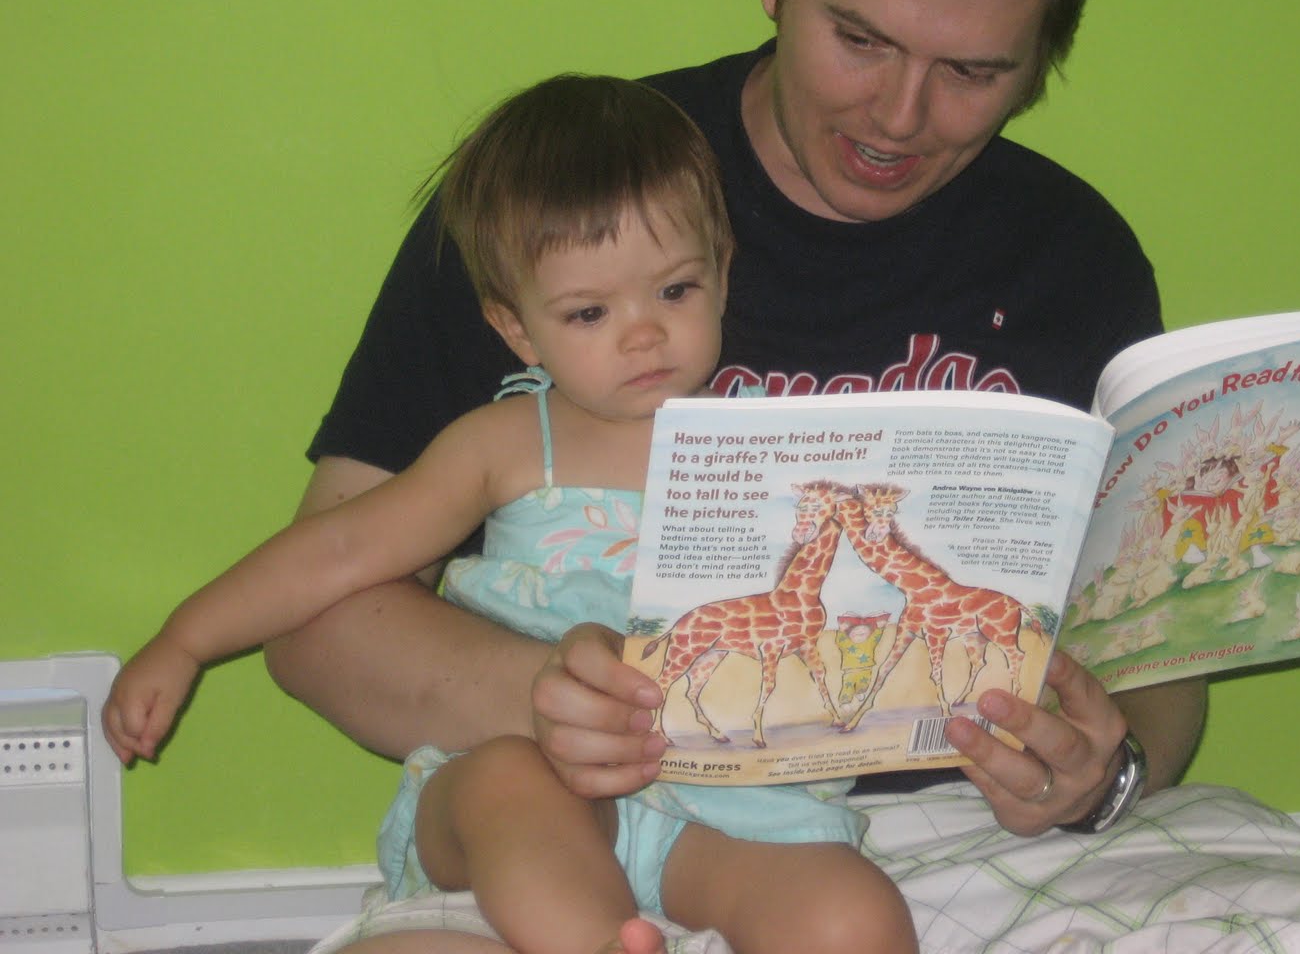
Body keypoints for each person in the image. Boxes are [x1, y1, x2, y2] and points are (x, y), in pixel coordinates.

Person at [268, 0, 1300, 952]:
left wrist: (1102, 768)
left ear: (1043, 51)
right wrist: (573, 700)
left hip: (976, 833)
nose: (899, 118)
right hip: (569, 820)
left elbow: (1157, 671)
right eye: (859, 38)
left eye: (974, 71)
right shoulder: (568, 205)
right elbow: (318, 622)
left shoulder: (1072, 255)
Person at [104, 75, 916, 954]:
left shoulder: (776, 445)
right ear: (518, 329)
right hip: (526, 786)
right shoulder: (505, 443)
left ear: (722, 272)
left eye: (675, 291)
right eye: (590, 312)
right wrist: (186, 639)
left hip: (717, 805)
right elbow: (337, 550)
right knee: (508, 788)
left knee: (854, 914)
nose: (642, 334)